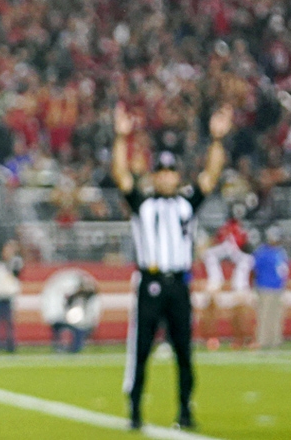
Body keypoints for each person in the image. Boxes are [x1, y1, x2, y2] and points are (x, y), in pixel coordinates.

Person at [113, 103, 233, 431]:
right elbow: (121, 176)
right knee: (140, 352)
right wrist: (121, 137)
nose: (166, 177)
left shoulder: (186, 203)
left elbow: (211, 176)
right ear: (155, 175)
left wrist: (217, 139)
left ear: (177, 176)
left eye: (171, 171)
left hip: (179, 284)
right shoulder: (144, 204)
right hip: (150, 283)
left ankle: (185, 410)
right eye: (161, 171)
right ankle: (135, 409)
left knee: (183, 351)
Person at [200, 211, 254, 350]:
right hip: (225, 280)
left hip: (233, 281)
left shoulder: (233, 241)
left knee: (239, 310)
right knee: (215, 308)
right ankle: (216, 339)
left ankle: (241, 339)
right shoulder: (232, 239)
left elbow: (241, 254)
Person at [252, 228, 289, 349]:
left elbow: (283, 269)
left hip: (278, 288)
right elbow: (254, 269)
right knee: (264, 315)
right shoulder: (262, 252)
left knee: (277, 315)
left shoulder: (281, 252)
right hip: (265, 287)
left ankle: (275, 340)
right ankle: (262, 340)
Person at [0, 241, 22, 354]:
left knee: (9, 324)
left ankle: (10, 346)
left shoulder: (15, 262)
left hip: (8, 297)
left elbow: (17, 272)